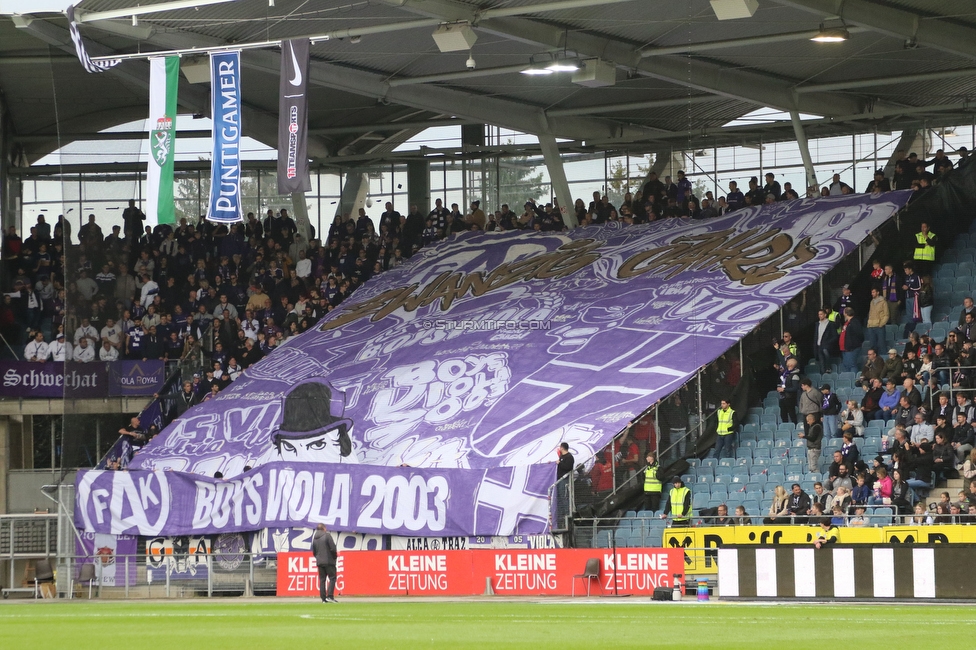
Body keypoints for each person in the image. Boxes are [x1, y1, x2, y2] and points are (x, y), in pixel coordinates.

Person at [312, 523, 338, 603]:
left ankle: (323, 598)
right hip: (329, 561)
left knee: (322, 580)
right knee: (332, 578)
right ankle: (330, 596)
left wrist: (318, 558)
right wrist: (334, 557)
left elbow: (314, 552)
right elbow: (333, 548)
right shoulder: (327, 536)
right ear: (324, 528)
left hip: (320, 562)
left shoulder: (315, 539)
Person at [839, 308, 864, 373]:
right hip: (845, 348)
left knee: (852, 364)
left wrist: (853, 344)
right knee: (846, 365)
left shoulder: (855, 322)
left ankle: (853, 380)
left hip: (851, 348)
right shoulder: (847, 322)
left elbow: (859, 334)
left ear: (846, 313)